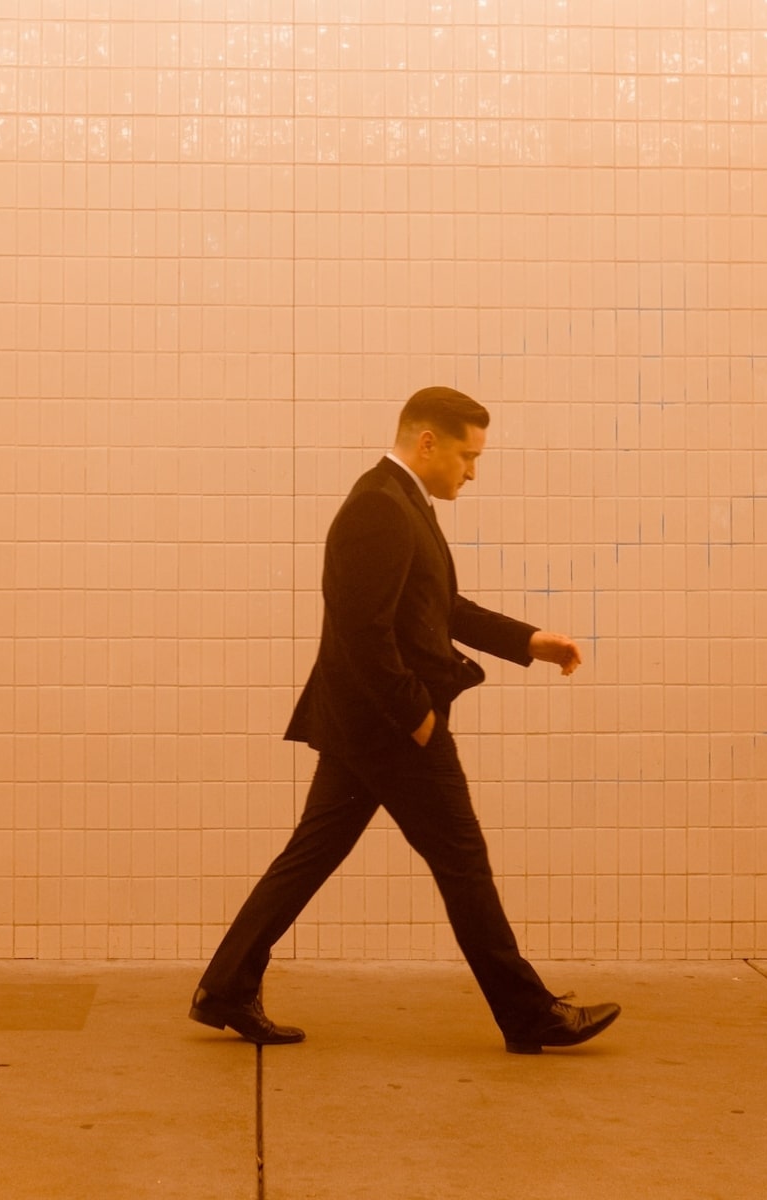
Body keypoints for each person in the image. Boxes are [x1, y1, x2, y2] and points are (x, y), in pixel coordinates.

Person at [190, 386, 621, 1054]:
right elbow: (363, 633)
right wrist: (417, 716)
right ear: (427, 442)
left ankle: (225, 987)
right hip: (392, 730)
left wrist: (529, 641)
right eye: (467, 456)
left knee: (311, 855)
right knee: (463, 861)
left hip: (364, 728)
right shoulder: (378, 508)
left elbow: (439, 607)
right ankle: (528, 1014)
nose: (471, 472)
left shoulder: (399, 502)